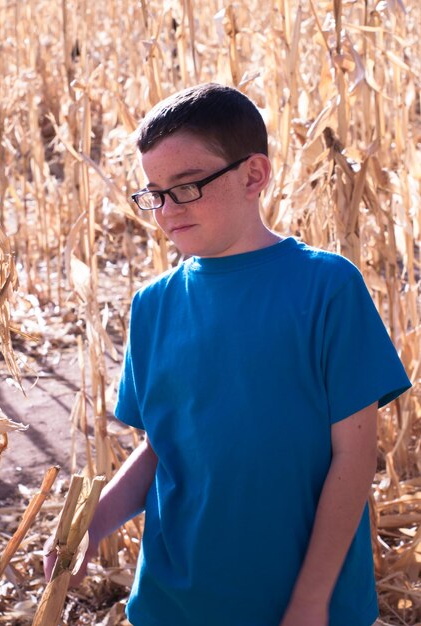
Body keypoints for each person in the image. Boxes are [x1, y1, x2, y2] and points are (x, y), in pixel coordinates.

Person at [44, 83, 411, 626]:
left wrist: (311, 601)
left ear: (253, 175)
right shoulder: (153, 306)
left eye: (187, 186)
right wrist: (94, 523)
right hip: (174, 602)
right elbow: (162, 451)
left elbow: (353, 460)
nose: (165, 209)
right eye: (153, 192)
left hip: (300, 603)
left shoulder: (327, 288)